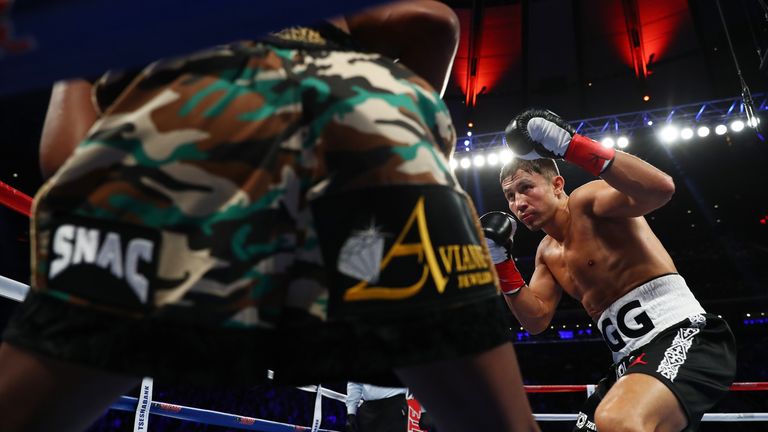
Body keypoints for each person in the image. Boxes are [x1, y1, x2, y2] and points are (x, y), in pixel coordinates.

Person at [0, 2, 539, 432]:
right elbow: (434, 19)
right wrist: (415, 144)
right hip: (371, 111)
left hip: (198, 100)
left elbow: (65, 164)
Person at [481, 109, 737, 432]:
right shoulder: (546, 254)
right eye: (509, 196)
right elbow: (535, 320)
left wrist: (571, 145)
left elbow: (660, 189)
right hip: (632, 362)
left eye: (526, 188)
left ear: (558, 184)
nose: (518, 203)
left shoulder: (587, 203)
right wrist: (501, 262)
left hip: (684, 335)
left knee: (618, 419)